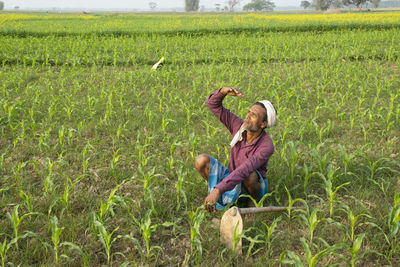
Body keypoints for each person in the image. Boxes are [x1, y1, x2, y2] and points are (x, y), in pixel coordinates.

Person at [195, 87, 277, 212]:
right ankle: (221, 194)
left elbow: (245, 169)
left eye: (254, 115)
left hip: (251, 184)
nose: (248, 116)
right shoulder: (239, 126)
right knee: (201, 160)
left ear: (263, 124)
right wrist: (222, 92)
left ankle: (252, 202)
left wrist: (218, 189)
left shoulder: (266, 146)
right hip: (232, 176)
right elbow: (213, 105)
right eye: (249, 112)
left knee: (250, 175)